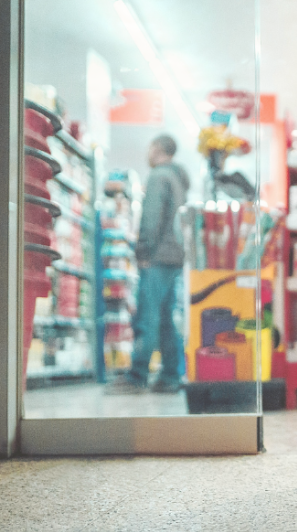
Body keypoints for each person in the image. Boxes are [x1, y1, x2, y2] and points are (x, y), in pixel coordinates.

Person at [106, 134, 190, 395]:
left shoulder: (158, 176)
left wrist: (143, 250)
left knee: (147, 317)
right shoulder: (178, 178)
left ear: (157, 149)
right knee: (165, 318)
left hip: (157, 256)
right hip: (174, 256)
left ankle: (137, 375)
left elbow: (152, 217)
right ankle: (170, 376)